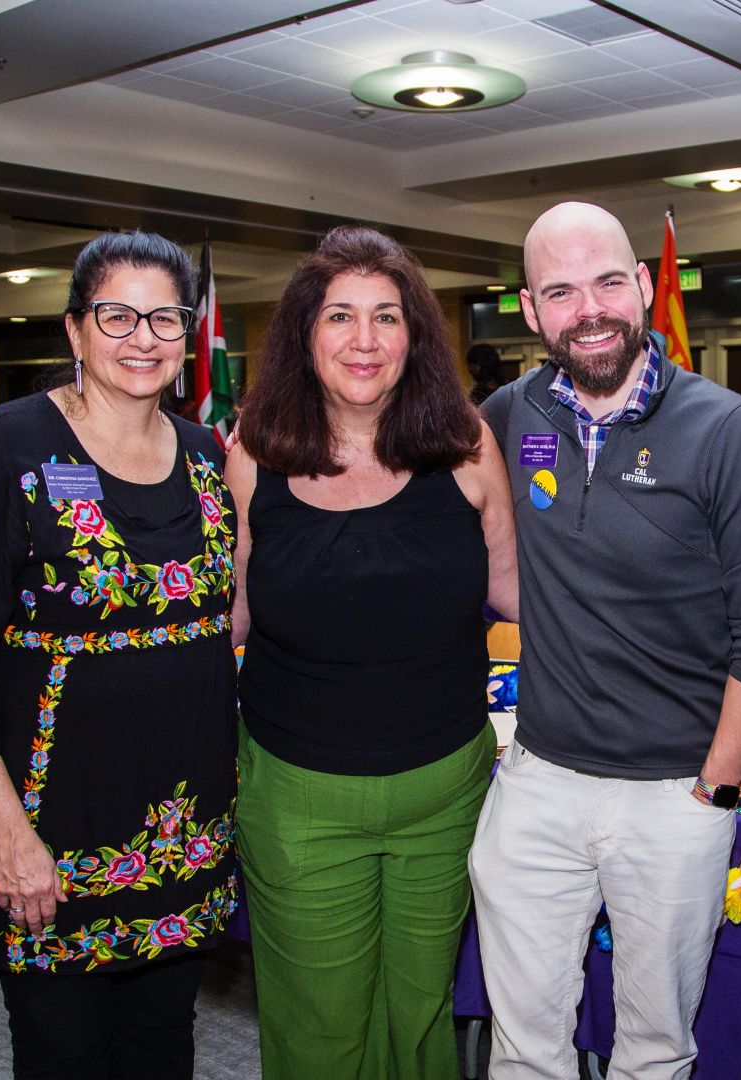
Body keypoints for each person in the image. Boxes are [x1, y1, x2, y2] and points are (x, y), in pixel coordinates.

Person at [470, 201, 741, 1079]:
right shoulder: (508, 414)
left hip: (672, 796)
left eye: (609, 282)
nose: (590, 310)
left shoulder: (725, 429)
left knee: (654, 1052)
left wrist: (714, 792)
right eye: (560, 291)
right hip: (537, 784)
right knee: (521, 1047)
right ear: (530, 310)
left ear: (647, 286)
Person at [0, 230, 238, 1077]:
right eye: (117, 315)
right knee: (64, 1055)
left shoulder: (207, 456)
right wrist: (9, 837)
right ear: (74, 329)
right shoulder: (3, 450)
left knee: (163, 1047)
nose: (143, 338)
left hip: (185, 835)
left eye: (164, 318)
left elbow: (223, 620)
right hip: (51, 837)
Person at [226, 225, 516, 1080]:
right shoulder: (254, 454)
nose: (365, 340)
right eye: (340, 316)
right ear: (304, 334)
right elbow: (229, 616)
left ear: (413, 336)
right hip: (298, 797)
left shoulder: (466, 444)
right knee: (321, 1026)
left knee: (421, 1016)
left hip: (445, 793)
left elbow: (517, 592)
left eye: (386, 317)